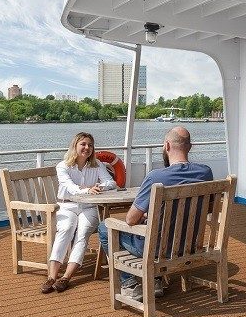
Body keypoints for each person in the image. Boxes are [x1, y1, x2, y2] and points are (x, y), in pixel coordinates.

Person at [98, 126, 213, 301]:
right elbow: (207, 208)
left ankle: (129, 284)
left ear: (167, 146)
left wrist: (145, 215)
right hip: (190, 246)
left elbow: (131, 219)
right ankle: (156, 281)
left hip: (157, 249)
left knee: (104, 227)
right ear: (190, 147)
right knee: (152, 225)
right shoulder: (205, 172)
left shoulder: (156, 177)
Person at [45, 132, 115, 294]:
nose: (87, 148)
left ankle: (66, 277)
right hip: (67, 206)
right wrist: (87, 190)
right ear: (75, 146)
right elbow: (69, 186)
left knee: (82, 233)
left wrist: (99, 187)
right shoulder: (63, 166)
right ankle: (51, 277)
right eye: (83, 144)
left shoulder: (97, 164)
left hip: (89, 207)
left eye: (90, 145)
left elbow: (111, 183)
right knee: (66, 229)